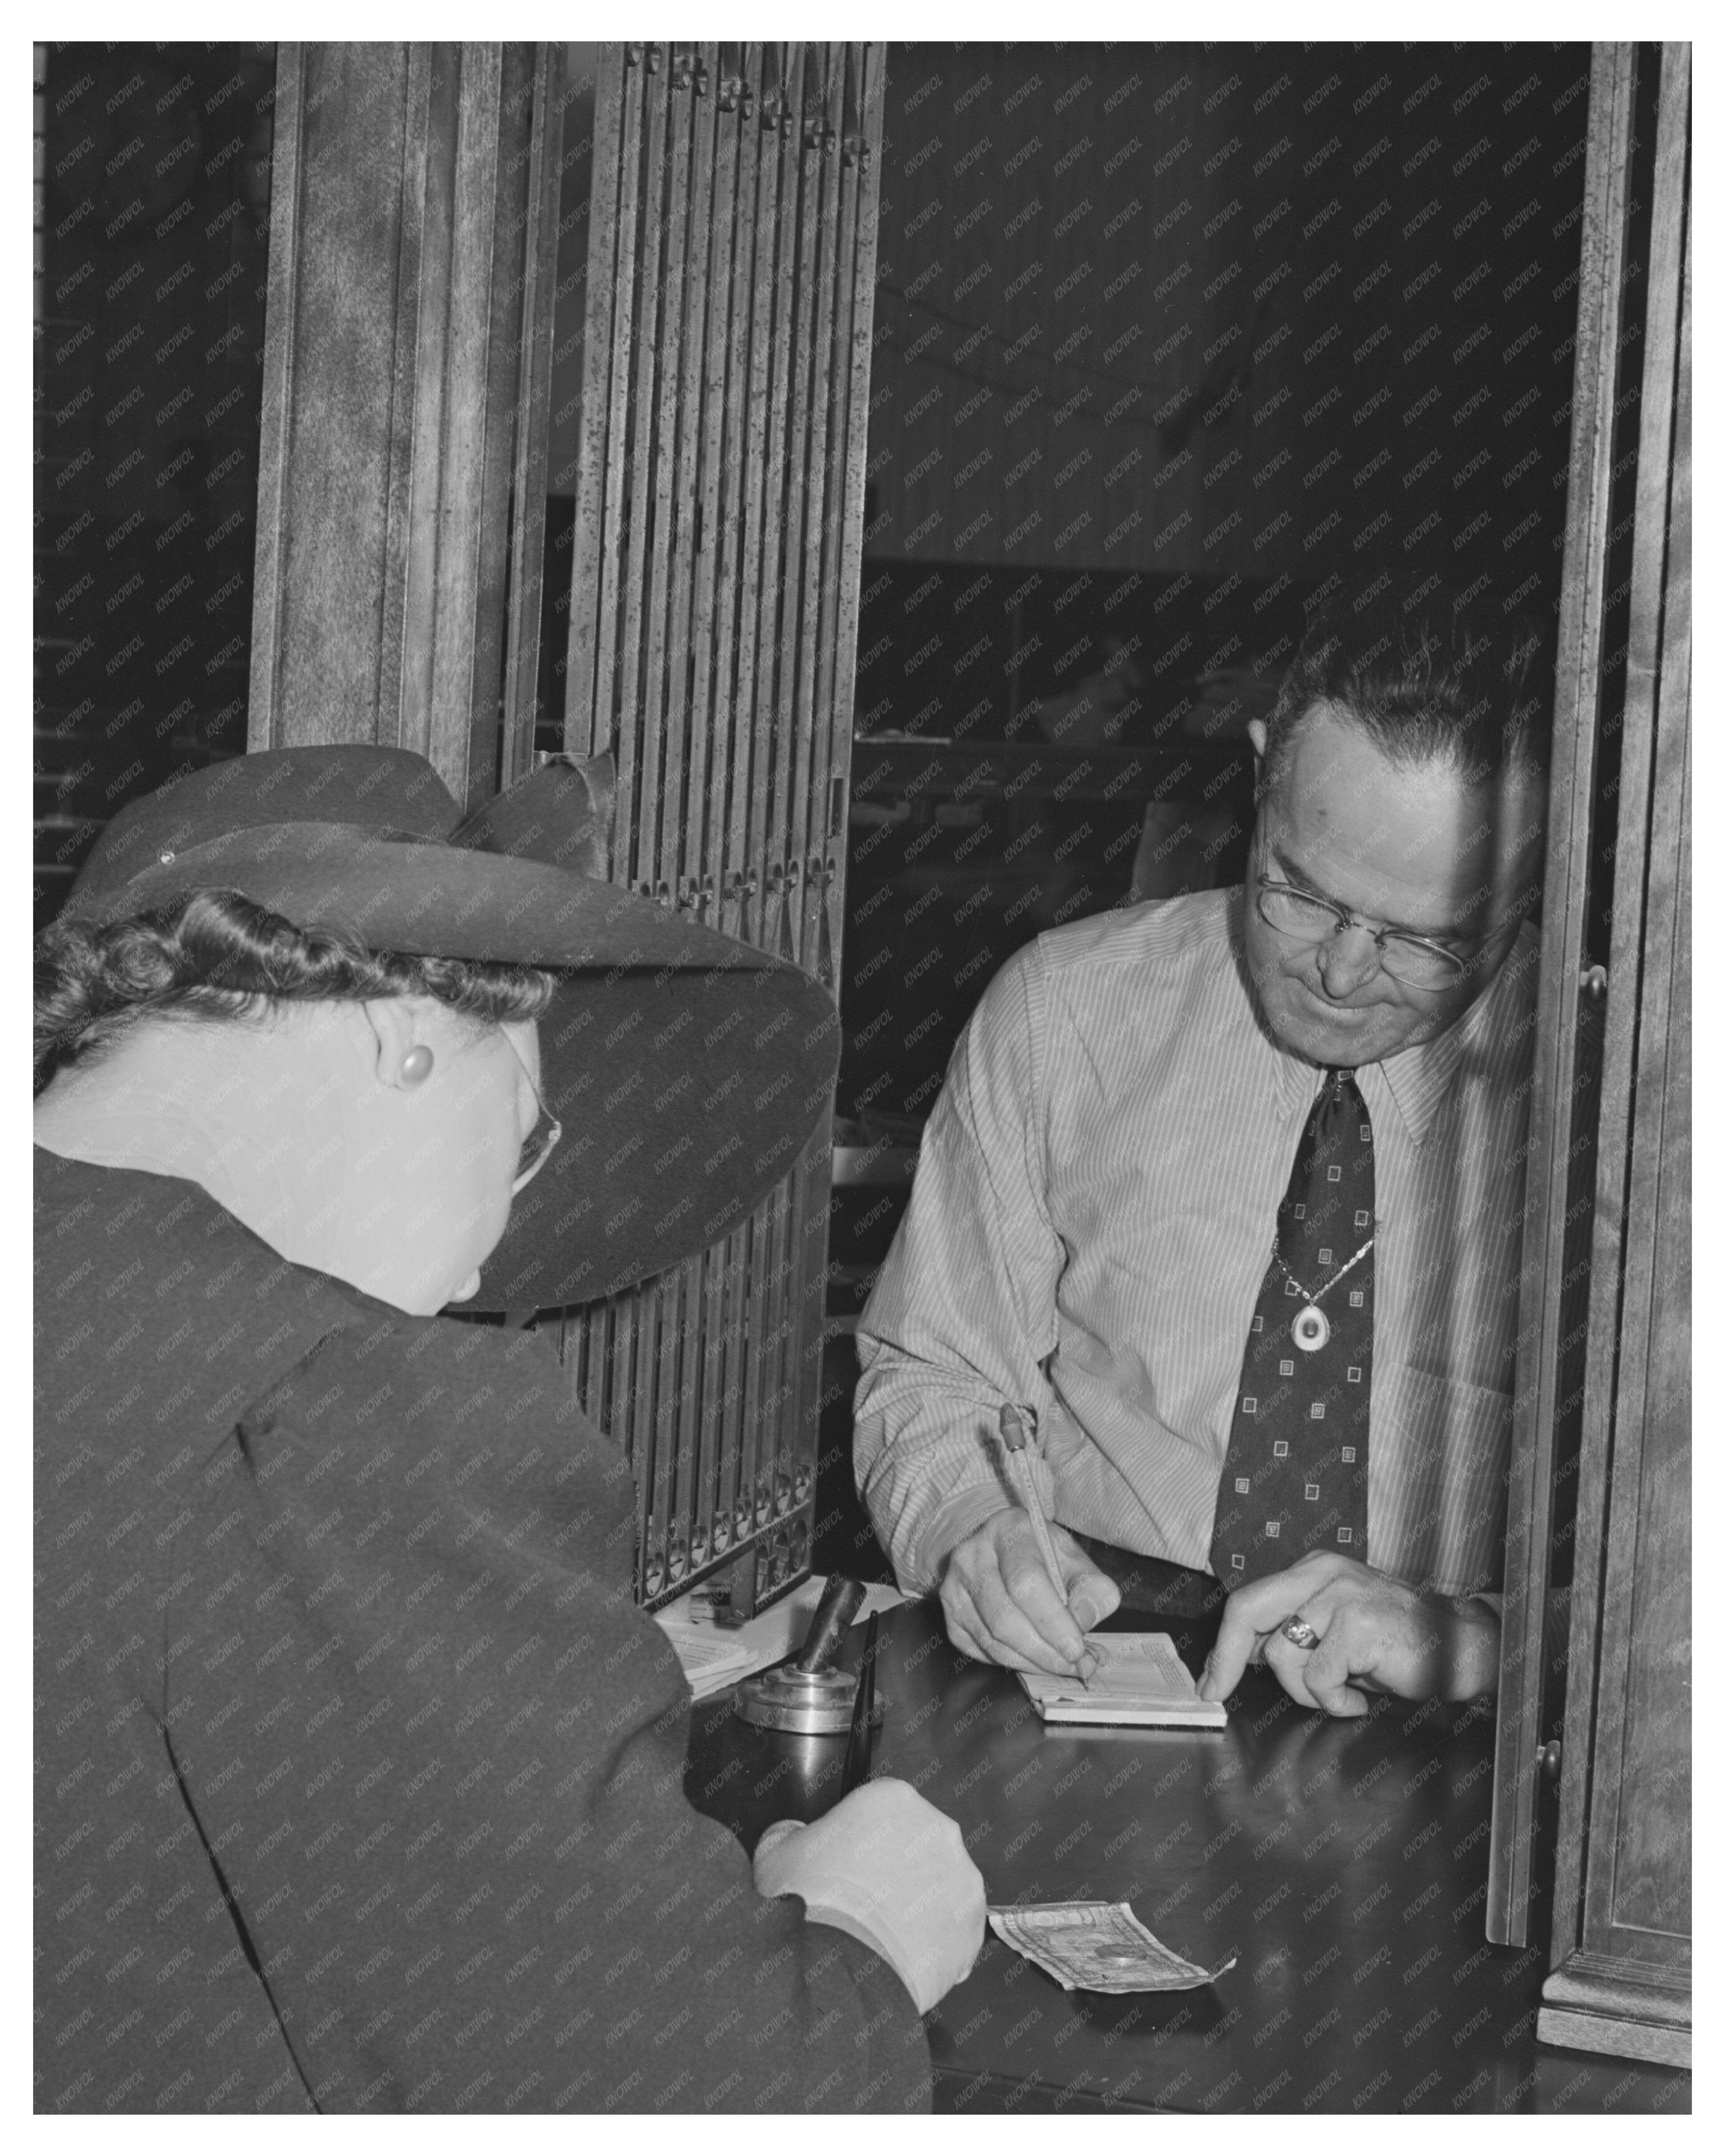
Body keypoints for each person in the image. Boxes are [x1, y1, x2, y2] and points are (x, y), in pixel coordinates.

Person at [36, 744, 984, 2115]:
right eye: (529, 1138)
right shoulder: (333, 1405)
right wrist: (860, 1932)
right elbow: (664, 2100)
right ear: (403, 1029)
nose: (489, 1260)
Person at [854, 575, 1575, 1720]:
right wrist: (968, 1526)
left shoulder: (1630, 1113)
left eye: (1424, 941)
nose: (1340, 972)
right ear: (1260, 775)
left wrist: (1501, 1643)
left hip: (1475, 1730)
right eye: (1300, 890)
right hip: (1100, 1660)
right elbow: (934, 1372)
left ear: (1543, 875)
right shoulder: (1067, 1011)